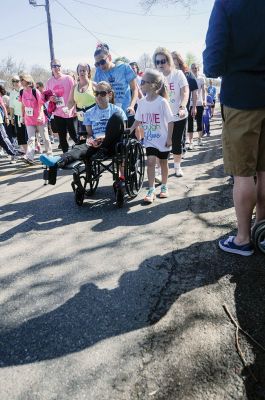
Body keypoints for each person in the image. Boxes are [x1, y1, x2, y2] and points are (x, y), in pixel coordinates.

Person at [203, 0, 265, 256]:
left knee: (243, 174)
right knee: (264, 170)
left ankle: (242, 239)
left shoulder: (228, 2)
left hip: (241, 97)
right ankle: (262, 231)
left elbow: (213, 59)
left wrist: (215, 66)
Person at [39, 81, 127, 184]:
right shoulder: (89, 112)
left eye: (102, 93)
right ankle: (57, 161)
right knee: (78, 148)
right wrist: (92, 140)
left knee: (116, 117)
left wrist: (105, 138)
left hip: (112, 144)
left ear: (110, 94)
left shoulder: (117, 110)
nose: (99, 96)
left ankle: (122, 176)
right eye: (96, 93)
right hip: (95, 144)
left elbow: (122, 131)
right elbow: (89, 133)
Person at [129, 69, 174, 203]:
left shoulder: (162, 102)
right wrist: (131, 129)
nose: (140, 84)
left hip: (163, 139)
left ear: (153, 85)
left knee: (163, 162)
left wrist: (169, 138)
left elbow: (171, 121)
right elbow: (138, 119)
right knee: (150, 162)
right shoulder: (141, 103)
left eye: (143, 82)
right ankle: (151, 189)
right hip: (150, 140)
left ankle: (164, 186)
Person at [153, 47, 189, 177]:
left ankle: (177, 167)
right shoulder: (156, 77)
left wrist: (182, 107)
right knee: (160, 143)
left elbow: (185, 92)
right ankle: (158, 170)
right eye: (157, 62)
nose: (160, 64)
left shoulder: (178, 74)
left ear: (168, 61)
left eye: (163, 61)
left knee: (176, 141)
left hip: (178, 115)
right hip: (162, 116)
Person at [93, 44, 138, 120]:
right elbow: (97, 94)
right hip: (109, 114)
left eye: (102, 62)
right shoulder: (98, 72)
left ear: (109, 57)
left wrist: (132, 106)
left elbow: (134, 89)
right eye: (97, 64)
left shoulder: (124, 67)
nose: (100, 66)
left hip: (127, 112)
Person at [45, 59, 78, 153]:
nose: (56, 68)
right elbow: (47, 95)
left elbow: (75, 94)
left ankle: (82, 155)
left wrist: (75, 109)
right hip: (58, 112)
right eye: (54, 66)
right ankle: (65, 156)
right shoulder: (49, 81)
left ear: (61, 67)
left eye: (58, 65)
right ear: (51, 68)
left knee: (74, 135)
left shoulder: (68, 78)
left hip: (70, 112)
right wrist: (50, 98)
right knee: (62, 136)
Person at [171, 51, 198, 156]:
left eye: (175, 58)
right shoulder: (168, 73)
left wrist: (194, 106)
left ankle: (180, 148)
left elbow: (194, 91)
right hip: (170, 107)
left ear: (179, 59)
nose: (173, 61)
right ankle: (175, 148)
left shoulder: (187, 73)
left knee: (181, 129)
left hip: (183, 107)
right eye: (171, 58)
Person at [66, 62, 95, 141]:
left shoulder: (94, 85)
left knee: (94, 139)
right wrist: (67, 109)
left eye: (84, 70)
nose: (82, 72)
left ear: (88, 71)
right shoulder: (74, 87)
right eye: (80, 70)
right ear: (77, 72)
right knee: (84, 141)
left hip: (94, 120)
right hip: (81, 120)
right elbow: (71, 101)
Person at [187, 63, 206, 149]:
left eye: (196, 68)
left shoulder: (201, 78)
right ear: (191, 69)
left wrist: (204, 100)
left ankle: (199, 139)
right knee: (190, 123)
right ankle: (191, 142)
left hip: (199, 103)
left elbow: (203, 90)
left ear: (198, 69)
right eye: (193, 68)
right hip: (190, 103)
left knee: (199, 122)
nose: (194, 69)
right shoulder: (189, 78)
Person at [9, 75, 28, 154]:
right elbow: (11, 107)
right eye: (14, 81)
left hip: (27, 115)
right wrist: (11, 118)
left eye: (17, 81)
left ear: (20, 82)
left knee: (28, 134)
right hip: (17, 117)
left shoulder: (24, 90)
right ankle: (27, 152)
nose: (15, 83)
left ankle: (31, 151)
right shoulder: (12, 93)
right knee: (20, 135)